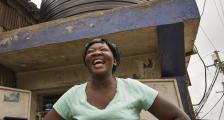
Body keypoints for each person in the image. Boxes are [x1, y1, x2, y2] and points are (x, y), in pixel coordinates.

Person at [44, 38, 190, 120]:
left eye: (103, 50)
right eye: (91, 52)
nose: (96, 53)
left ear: (114, 61)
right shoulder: (73, 95)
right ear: (87, 63)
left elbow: (177, 116)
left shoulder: (133, 87)